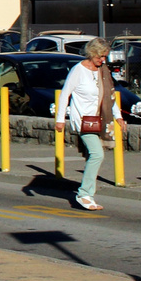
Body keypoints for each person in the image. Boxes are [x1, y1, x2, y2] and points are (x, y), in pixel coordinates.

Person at [54, 38, 120, 210]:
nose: (103, 60)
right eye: (101, 56)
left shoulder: (102, 71)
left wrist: (118, 117)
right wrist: (60, 119)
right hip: (83, 120)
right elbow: (65, 95)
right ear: (92, 53)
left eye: (105, 57)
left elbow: (110, 97)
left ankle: (87, 194)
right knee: (97, 154)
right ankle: (84, 194)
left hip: (100, 119)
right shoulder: (78, 71)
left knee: (93, 155)